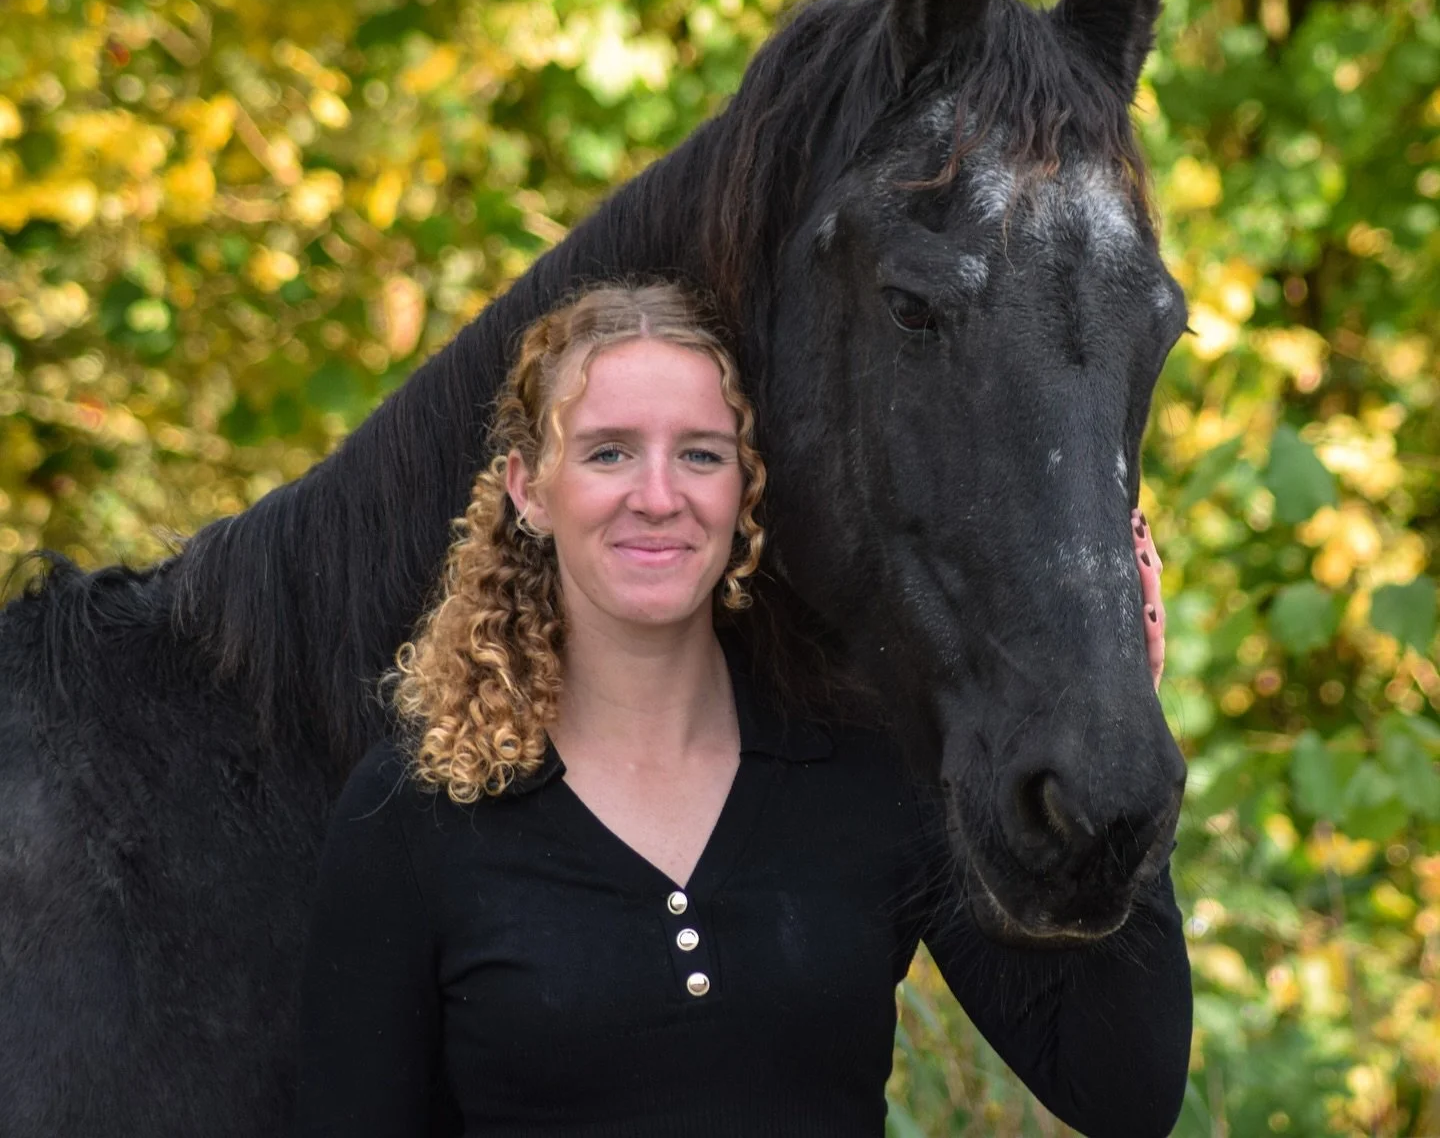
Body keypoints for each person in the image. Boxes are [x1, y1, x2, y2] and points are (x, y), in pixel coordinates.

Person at [292, 282, 1188, 1138]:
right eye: (608, 451)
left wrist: (1120, 734)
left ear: (743, 490)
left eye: (701, 454)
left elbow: (1123, 1090)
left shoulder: (869, 775)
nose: (657, 495)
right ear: (530, 489)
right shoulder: (417, 814)